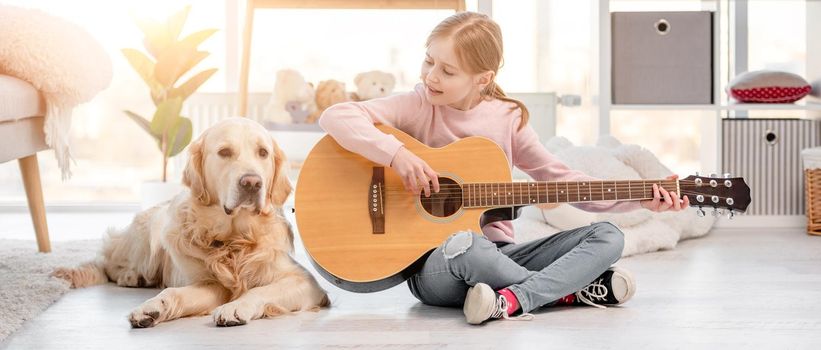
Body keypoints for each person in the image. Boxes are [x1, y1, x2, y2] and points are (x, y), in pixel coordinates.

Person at [318, 11, 689, 325]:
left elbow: (562, 180)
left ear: (483, 78)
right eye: (429, 61)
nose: (431, 76)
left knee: (610, 237)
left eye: (447, 71)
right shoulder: (418, 104)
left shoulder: (508, 118)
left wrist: (642, 200)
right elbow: (338, 114)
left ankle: (513, 300)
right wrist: (397, 154)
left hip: (502, 258)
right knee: (468, 246)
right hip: (437, 268)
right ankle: (564, 293)